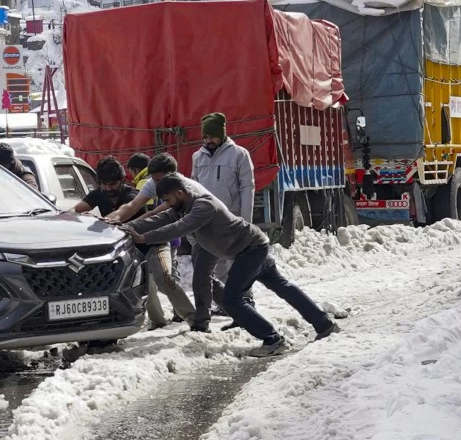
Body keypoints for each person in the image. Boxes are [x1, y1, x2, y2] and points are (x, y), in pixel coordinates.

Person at [121, 174, 339, 357]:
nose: (166, 205)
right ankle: (324, 324)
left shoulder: (202, 205)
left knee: (232, 300)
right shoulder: (181, 207)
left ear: (179, 193)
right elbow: (159, 220)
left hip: (250, 249)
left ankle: (273, 339)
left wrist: (144, 238)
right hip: (251, 248)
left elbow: (180, 228)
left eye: (168, 200)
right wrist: (124, 226)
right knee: (281, 286)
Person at [74, 158, 194, 329]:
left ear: (122, 180)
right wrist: (68, 217)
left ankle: (193, 317)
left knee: (165, 278)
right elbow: (75, 209)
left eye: (112, 184)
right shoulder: (98, 194)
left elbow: (126, 209)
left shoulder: (131, 193)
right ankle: (158, 322)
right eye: (104, 184)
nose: (108, 188)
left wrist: (103, 220)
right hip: (130, 250)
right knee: (145, 287)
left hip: (153, 243)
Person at [192, 113, 257, 328]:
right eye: (205, 137)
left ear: (222, 134)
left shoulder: (239, 155)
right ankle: (229, 308)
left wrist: (245, 220)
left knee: (238, 265)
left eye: (212, 136)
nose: (208, 140)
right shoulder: (197, 158)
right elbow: (193, 188)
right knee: (217, 267)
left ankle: (246, 305)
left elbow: (247, 187)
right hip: (208, 223)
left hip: (233, 221)